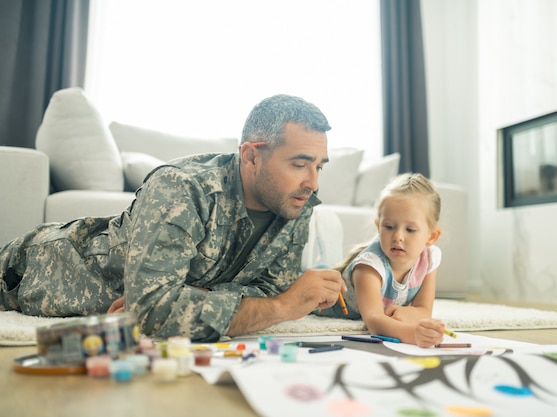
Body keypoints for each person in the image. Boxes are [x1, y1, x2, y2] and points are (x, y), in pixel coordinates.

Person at [0, 94, 347, 342]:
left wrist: (190, 295)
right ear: (251, 157)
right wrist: (283, 307)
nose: (312, 182)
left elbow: (266, 288)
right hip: (30, 270)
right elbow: (150, 313)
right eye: (300, 164)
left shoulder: (295, 203)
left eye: (319, 166)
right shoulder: (181, 187)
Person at [316, 173, 445, 347]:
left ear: (431, 236)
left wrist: (409, 313)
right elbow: (374, 321)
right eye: (389, 227)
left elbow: (424, 310)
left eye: (410, 229)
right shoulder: (369, 267)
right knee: (295, 283)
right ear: (379, 226)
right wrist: (412, 334)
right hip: (323, 298)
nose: (398, 236)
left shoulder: (428, 259)